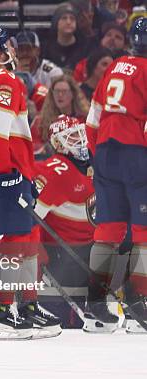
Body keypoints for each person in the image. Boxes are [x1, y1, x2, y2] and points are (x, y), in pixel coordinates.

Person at [0, 27, 61, 340]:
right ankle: (2, 311)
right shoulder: (5, 79)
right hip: (2, 168)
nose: (14, 50)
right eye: (7, 46)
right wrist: (7, 172)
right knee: (14, 239)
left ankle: (29, 305)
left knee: (26, 234)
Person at [84, 17, 147, 334]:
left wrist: (98, 156)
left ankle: (94, 304)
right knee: (144, 232)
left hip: (105, 152)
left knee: (107, 230)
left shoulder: (116, 65)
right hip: (135, 153)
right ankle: (138, 302)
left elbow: (93, 116)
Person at [33, 115, 95, 328]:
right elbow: (32, 218)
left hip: (87, 249)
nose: (81, 141)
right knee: (67, 322)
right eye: (72, 137)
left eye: (81, 134)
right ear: (58, 144)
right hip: (63, 253)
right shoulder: (54, 171)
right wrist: (39, 251)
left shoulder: (91, 164)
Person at [31, 75, 90, 157]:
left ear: (73, 94)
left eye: (64, 91)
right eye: (56, 91)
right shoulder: (40, 121)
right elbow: (34, 149)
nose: (60, 95)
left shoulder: (86, 119)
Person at [42, 4, 90, 70]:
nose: (68, 22)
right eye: (64, 18)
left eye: (72, 18)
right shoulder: (46, 48)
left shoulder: (85, 47)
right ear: (56, 22)